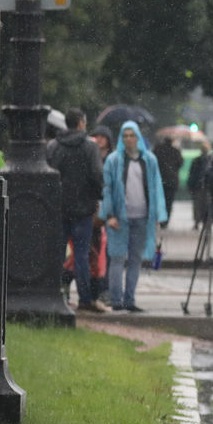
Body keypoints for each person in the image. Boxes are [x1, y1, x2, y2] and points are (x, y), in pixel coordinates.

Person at [100, 120, 167, 312]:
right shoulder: (114, 161)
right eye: (125, 135)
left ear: (138, 138)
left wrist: (157, 215)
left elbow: (156, 188)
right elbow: (107, 188)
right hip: (119, 219)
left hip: (142, 217)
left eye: (132, 135)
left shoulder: (150, 160)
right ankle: (116, 300)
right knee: (117, 257)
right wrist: (109, 214)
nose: (129, 139)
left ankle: (130, 299)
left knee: (135, 260)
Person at [47, 107, 106, 313]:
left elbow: (48, 175)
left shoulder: (54, 146)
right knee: (81, 255)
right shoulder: (90, 148)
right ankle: (85, 298)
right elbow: (97, 175)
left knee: (57, 254)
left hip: (59, 208)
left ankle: (53, 294)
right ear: (81, 123)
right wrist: (98, 196)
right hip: (83, 210)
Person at [88, 125, 114, 306]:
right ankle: (95, 288)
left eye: (102, 137)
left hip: (107, 207)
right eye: (96, 136)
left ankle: (104, 288)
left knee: (107, 251)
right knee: (94, 250)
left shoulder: (112, 160)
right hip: (93, 208)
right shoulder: (90, 156)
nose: (99, 140)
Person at [154, 136, 183, 224]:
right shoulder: (175, 151)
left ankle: (161, 218)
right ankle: (166, 219)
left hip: (160, 180)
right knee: (169, 201)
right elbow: (180, 163)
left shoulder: (158, 150)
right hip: (171, 181)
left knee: (160, 200)